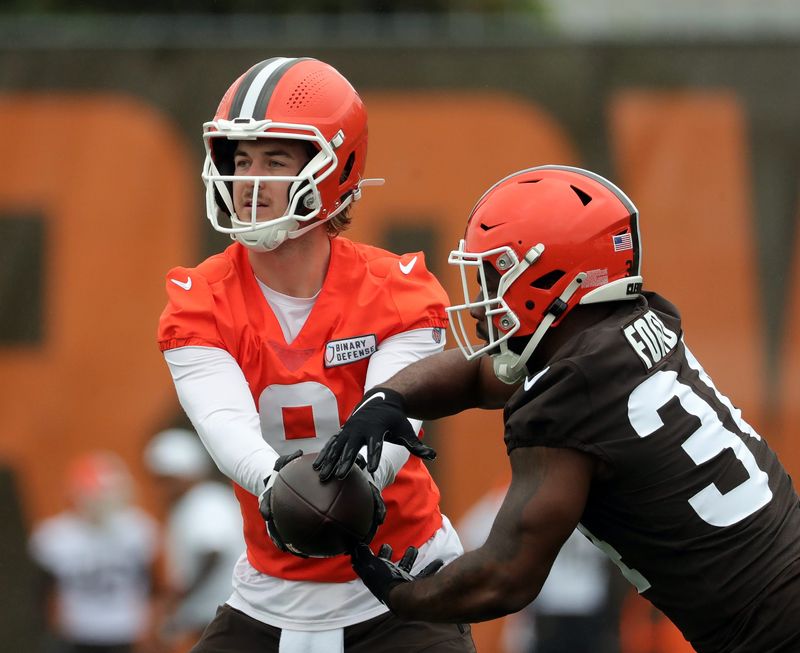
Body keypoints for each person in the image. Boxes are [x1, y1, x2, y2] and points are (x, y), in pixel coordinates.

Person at [315, 165, 800, 653]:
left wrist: (403, 598)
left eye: (491, 277)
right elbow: (483, 373)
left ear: (548, 277)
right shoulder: (635, 323)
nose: (482, 304)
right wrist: (386, 398)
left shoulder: (571, 392)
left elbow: (506, 576)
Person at [157, 56, 474, 653]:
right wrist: (280, 487)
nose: (249, 181)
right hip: (268, 594)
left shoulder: (396, 289)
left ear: (336, 167)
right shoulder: (198, 298)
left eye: (275, 160)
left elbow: (393, 418)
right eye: (240, 160)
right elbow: (224, 424)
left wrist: (340, 487)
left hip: (402, 583)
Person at [28, 451, 159, 653]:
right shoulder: (55, 535)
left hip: (125, 628)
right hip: (78, 629)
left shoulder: (139, 528)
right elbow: (43, 589)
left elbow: (149, 582)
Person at [143, 428, 245, 651]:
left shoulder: (205, 500)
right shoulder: (198, 501)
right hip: (217, 613)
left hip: (219, 612)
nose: (162, 489)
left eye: (167, 479)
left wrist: (180, 595)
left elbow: (212, 551)